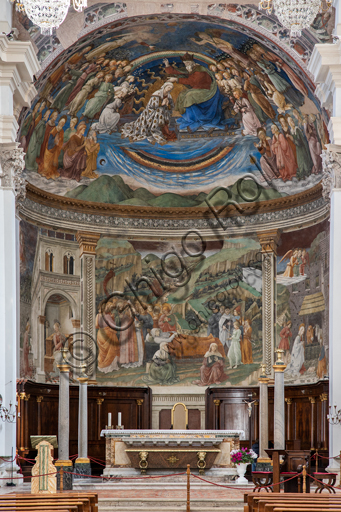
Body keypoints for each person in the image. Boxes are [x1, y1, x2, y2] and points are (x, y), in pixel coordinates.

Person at [164, 53, 234, 133]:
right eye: (185, 63)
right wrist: (167, 65)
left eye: (187, 63)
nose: (186, 65)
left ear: (192, 62)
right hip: (198, 89)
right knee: (182, 94)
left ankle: (193, 119)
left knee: (189, 96)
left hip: (208, 91)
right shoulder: (191, 68)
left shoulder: (200, 69)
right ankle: (188, 118)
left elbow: (193, 81)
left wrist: (176, 80)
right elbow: (176, 71)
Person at [40, 115, 67, 179]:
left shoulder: (62, 131)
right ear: (59, 121)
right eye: (61, 122)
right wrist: (54, 142)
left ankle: (52, 172)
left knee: (54, 162)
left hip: (56, 149)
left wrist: (59, 143)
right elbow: (50, 139)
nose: (62, 123)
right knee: (47, 162)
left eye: (63, 123)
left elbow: (61, 140)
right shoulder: (54, 128)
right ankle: (46, 172)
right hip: (50, 147)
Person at [96, 301, 120, 373]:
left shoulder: (98, 315)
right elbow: (113, 325)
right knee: (111, 350)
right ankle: (110, 367)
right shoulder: (107, 316)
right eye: (110, 309)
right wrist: (113, 318)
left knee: (102, 352)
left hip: (100, 334)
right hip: (109, 334)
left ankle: (102, 367)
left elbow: (96, 326)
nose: (111, 311)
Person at [287, 116, 313, 181]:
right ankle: (303, 175)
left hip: (302, 148)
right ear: (289, 124)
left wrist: (292, 139)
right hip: (298, 149)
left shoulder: (297, 129)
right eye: (291, 122)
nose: (292, 122)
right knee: (300, 161)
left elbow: (300, 142)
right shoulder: (292, 131)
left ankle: (307, 173)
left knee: (303, 161)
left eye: (292, 121)